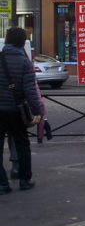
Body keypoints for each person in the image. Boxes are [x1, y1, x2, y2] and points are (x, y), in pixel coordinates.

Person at [0, 27, 43, 193]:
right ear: (22, 42)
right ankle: (24, 180)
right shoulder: (25, 62)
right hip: (15, 109)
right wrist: (37, 111)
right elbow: (30, 90)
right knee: (22, 144)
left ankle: (2, 184)